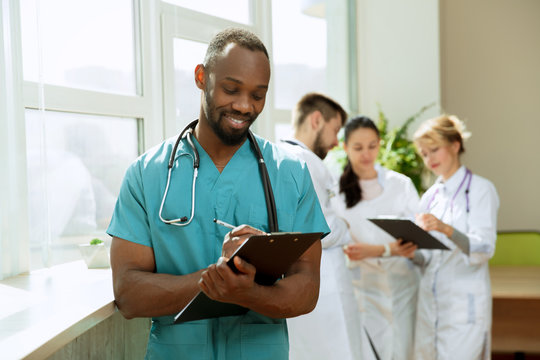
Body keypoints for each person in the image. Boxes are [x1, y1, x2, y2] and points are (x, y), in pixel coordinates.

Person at [107, 28, 329, 360]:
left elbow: (306, 290)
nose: (244, 106)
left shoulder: (291, 174)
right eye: (231, 89)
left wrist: (248, 292)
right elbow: (129, 294)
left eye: (258, 95)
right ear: (201, 77)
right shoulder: (147, 174)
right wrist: (215, 280)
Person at [280, 93, 361, 360]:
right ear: (316, 120)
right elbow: (319, 229)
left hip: (293, 281)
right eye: (335, 130)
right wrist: (345, 226)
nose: (337, 142)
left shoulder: (276, 156)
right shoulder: (307, 162)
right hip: (323, 283)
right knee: (339, 349)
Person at [331, 116, 420, 360]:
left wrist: (378, 250)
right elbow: (343, 246)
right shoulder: (336, 192)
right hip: (362, 289)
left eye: (372, 146)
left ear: (380, 144)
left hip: (403, 286)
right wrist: (390, 248)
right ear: (345, 147)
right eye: (358, 148)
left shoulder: (400, 185)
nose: (366, 154)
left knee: (406, 351)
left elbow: (418, 239)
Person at [412, 114, 499, 359]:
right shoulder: (430, 197)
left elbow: (483, 249)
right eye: (424, 153)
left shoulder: (482, 190)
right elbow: (428, 257)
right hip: (431, 303)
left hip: (465, 304)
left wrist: (445, 228)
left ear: (455, 145)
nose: (429, 159)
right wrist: (411, 252)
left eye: (434, 150)